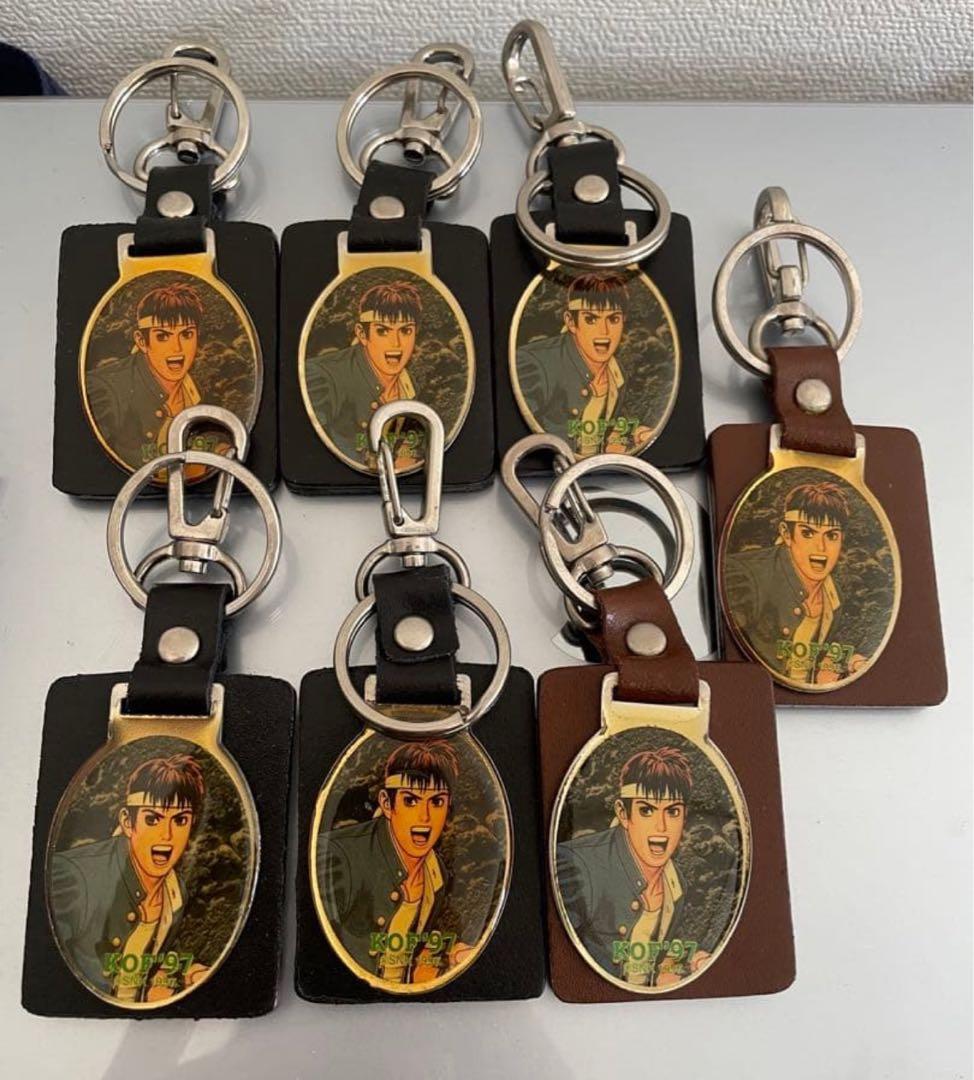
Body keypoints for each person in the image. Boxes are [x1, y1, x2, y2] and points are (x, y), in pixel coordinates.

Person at [49, 754, 208, 1002]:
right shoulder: (77, 876)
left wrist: (187, 974)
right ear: (127, 821)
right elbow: (45, 969)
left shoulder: (175, 894)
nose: (166, 835)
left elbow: (146, 964)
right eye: (152, 819)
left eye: (180, 820)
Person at [317, 741, 474, 984]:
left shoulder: (436, 875)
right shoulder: (339, 856)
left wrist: (448, 958)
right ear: (387, 803)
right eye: (410, 800)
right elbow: (318, 955)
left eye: (436, 802)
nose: (424, 817)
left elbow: (407, 953)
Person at [556, 747, 709, 987]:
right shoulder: (579, 865)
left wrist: (687, 963)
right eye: (646, 810)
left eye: (672, 811)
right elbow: (560, 958)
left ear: (684, 818)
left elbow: (650, 957)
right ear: (623, 813)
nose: (661, 827)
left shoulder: (676, 885)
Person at [723, 480, 866, 684]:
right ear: (786, 533)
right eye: (807, 533)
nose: (821, 547)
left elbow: (816, 658)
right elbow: (725, 653)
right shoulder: (747, 576)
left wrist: (849, 663)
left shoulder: (834, 598)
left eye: (832, 535)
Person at [515, 271, 652, 457]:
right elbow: (515, 434)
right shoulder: (537, 364)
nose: (604, 331)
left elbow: (600, 428)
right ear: (571, 322)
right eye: (591, 319)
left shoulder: (617, 374)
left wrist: (634, 434)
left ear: (623, 322)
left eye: (613, 319)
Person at [304, 280, 427, 469]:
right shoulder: (325, 376)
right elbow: (305, 448)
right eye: (383, 331)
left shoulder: (411, 387)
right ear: (362, 334)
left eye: (405, 330)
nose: (396, 343)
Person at [86, 281, 206, 470]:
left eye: (186, 334)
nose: (177, 348)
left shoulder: (197, 389)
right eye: (163, 336)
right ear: (141, 341)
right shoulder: (106, 390)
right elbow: (89, 463)